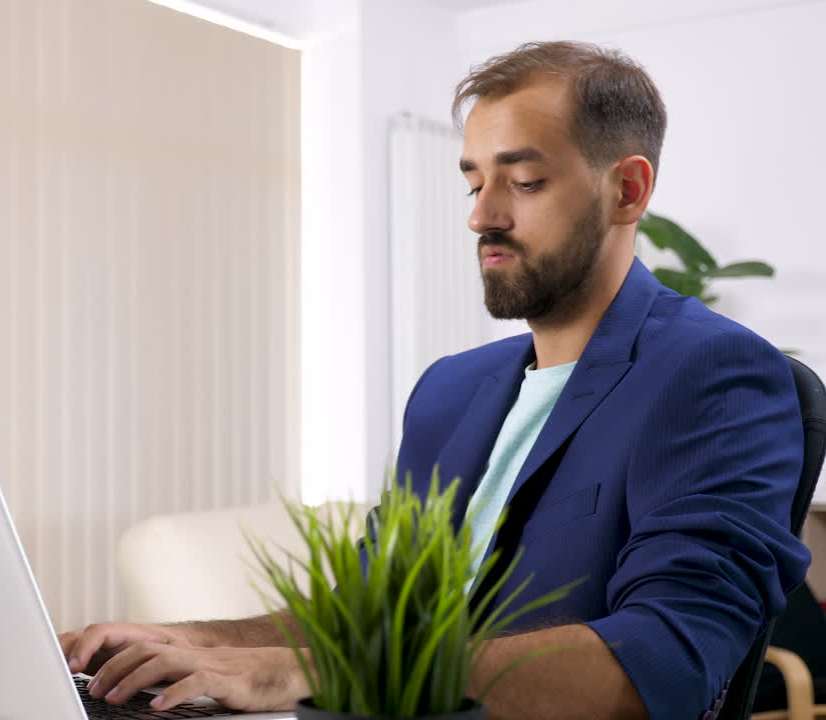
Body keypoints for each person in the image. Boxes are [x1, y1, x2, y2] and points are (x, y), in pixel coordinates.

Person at [58, 41, 809, 720]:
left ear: (628, 190)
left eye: (524, 181)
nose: (482, 215)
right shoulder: (450, 391)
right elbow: (369, 616)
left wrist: (305, 673)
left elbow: (668, 658)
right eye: (474, 182)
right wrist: (194, 642)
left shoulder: (715, 374)